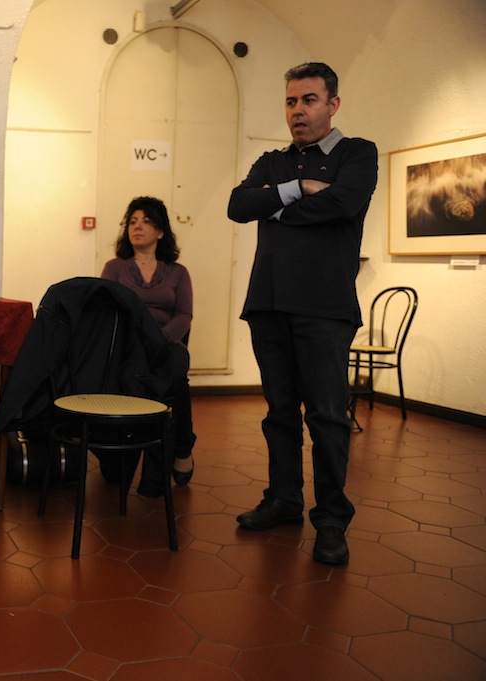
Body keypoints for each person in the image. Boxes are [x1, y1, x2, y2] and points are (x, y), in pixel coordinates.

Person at [227, 63, 378, 565]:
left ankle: (331, 520)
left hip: (325, 309)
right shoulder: (272, 161)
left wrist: (273, 207)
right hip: (268, 303)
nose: (298, 111)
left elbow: (343, 204)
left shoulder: (358, 153)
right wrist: (297, 190)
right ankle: (284, 501)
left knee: (328, 418)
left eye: (309, 100)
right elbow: (237, 205)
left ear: (332, 105)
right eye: (291, 101)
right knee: (279, 414)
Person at [101, 196, 196, 494]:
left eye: (146, 221)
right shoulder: (114, 268)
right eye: (132, 222)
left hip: (166, 343)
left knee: (174, 370)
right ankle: (180, 449)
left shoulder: (178, 272)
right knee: (170, 389)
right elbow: (106, 312)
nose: (137, 227)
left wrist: (161, 339)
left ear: (160, 231)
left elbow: (184, 315)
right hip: (127, 345)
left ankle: (153, 476)